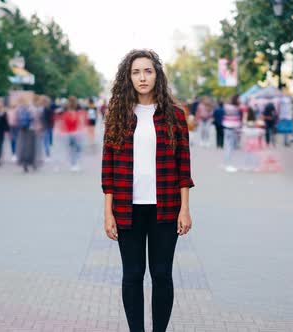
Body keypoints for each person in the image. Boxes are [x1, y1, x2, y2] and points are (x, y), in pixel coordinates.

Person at [101, 49, 194, 332]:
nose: (142, 77)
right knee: (132, 276)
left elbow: (183, 166)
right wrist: (108, 213)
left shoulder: (174, 115)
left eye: (148, 71)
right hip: (127, 210)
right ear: (128, 77)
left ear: (157, 75)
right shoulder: (118, 114)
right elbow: (108, 168)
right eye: (136, 72)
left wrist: (185, 208)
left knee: (162, 275)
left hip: (165, 208)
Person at [61, 96, 85, 171]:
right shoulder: (77, 112)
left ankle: (73, 163)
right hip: (76, 133)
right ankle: (74, 163)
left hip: (68, 133)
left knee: (72, 149)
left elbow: (63, 123)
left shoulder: (66, 112)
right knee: (77, 148)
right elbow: (80, 123)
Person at [222, 95, 242, 172]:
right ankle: (228, 165)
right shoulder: (236, 108)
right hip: (233, 129)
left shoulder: (227, 107)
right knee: (230, 147)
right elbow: (237, 120)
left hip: (227, 127)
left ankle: (226, 164)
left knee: (228, 146)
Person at [42, 97, 57, 162]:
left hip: (45, 127)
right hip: (48, 126)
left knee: (45, 141)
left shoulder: (45, 109)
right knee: (46, 141)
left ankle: (47, 155)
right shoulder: (49, 109)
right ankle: (47, 154)